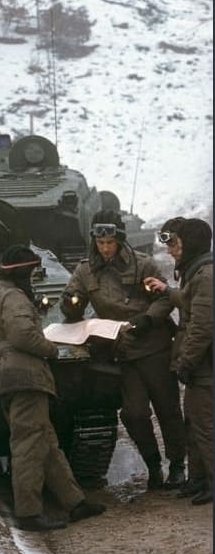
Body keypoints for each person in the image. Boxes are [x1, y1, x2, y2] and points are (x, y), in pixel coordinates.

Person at [59, 210, 186, 491]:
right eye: (100, 243)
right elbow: (71, 307)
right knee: (134, 414)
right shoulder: (84, 271)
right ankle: (153, 466)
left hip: (154, 347)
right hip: (123, 352)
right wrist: (71, 303)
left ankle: (177, 466)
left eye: (110, 243)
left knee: (167, 409)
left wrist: (148, 318)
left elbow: (165, 299)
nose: (105, 249)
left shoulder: (142, 264)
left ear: (119, 240)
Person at [0, 244, 106, 531]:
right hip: (23, 376)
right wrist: (51, 349)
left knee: (46, 443)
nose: (33, 276)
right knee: (28, 444)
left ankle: (74, 502)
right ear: (23, 272)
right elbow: (21, 334)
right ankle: (29, 513)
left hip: (10, 374)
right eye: (32, 271)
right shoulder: (14, 297)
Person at [144, 217, 213, 505]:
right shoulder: (196, 273)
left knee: (205, 426)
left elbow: (202, 327)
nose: (171, 250)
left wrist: (186, 362)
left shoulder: (206, 276)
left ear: (190, 244)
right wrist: (166, 290)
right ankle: (198, 478)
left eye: (176, 243)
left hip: (205, 366)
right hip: (201, 367)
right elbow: (187, 300)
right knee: (194, 423)